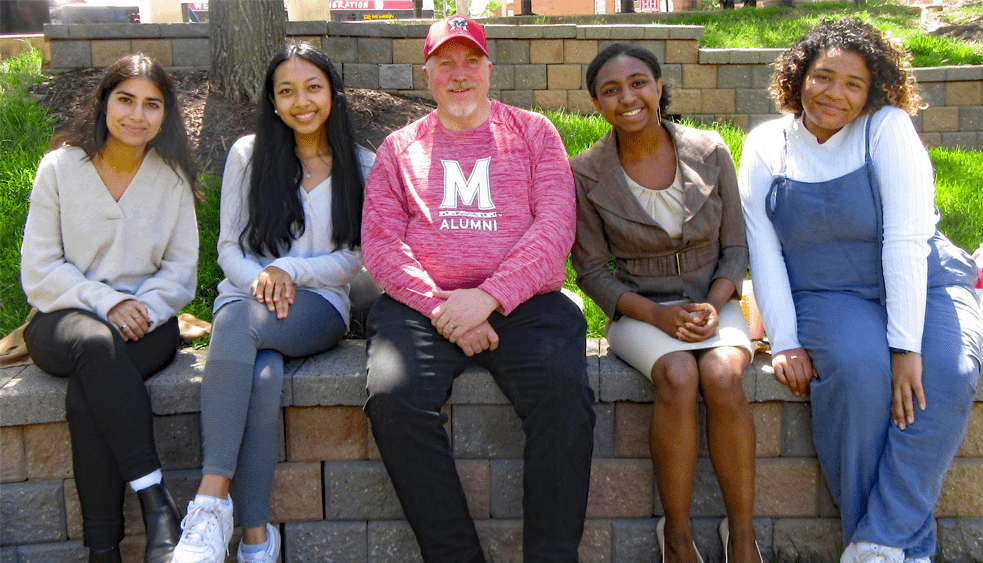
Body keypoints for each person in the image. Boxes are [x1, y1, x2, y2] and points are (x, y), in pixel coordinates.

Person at [738, 18, 983, 563]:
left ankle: (879, 543)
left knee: (949, 372)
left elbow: (904, 241)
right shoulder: (764, 146)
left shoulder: (888, 127)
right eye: (824, 77)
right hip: (828, 294)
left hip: (923, 277)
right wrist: (784, 341)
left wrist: (906, 348)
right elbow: (765, 252)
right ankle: (893, 547)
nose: (835, 94)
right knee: (857, 372)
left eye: (854, 83)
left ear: (873, 91)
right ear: (799, 76)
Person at [361, 15, 596, 563]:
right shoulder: (399, 149)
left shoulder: (535, 133)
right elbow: (381, 245)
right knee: (393, 401)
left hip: (525, 304)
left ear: (490, 69)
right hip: (424, 309)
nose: (459, 74)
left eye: (471, 61)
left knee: (564, 398)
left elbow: (555, 228)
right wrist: (445, 309)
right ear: (428, 74)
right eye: (446, 62)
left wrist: (487, 298)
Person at [170, 43, 373, 563]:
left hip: (321, 306)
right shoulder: (247, 154)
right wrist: (264, 279)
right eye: (287, 91)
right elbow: (229, 248)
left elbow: (355, 258)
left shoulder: (362, 164)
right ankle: (256, 538)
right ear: (273, 101)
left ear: (333, 93)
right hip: (247, 295)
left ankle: (210, 503)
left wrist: (291, 270)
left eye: (312, 88)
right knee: (260, 378)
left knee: (237, 326)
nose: (301, 101)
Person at [571, 44, 761, 563]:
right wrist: (656, 314)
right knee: (678, 375)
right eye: (610, 90)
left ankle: (741, 536)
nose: (627, 97)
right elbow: (589, 271)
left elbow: (736, 248)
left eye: (638, 83)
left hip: (713, 300)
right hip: (640, 310)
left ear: (659, 88)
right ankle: (676, 537)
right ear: (595, 102)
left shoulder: (711, 149)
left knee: (723, 375)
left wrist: (714, 303)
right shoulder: (585, 172)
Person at [20, 54, 200, 563]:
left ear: (165, 115)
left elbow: (181, 272)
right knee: (96, 345)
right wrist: (109, 301)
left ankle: (103, 551)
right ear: (103, 102)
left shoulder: (170, 178)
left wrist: (140, 307)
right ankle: (156, 499)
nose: (136, 116)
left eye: (151, 105)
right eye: (125, 100)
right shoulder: (60, 168)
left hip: (150, 322)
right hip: (63, 320)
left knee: (87, 396)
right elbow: (39, 269)